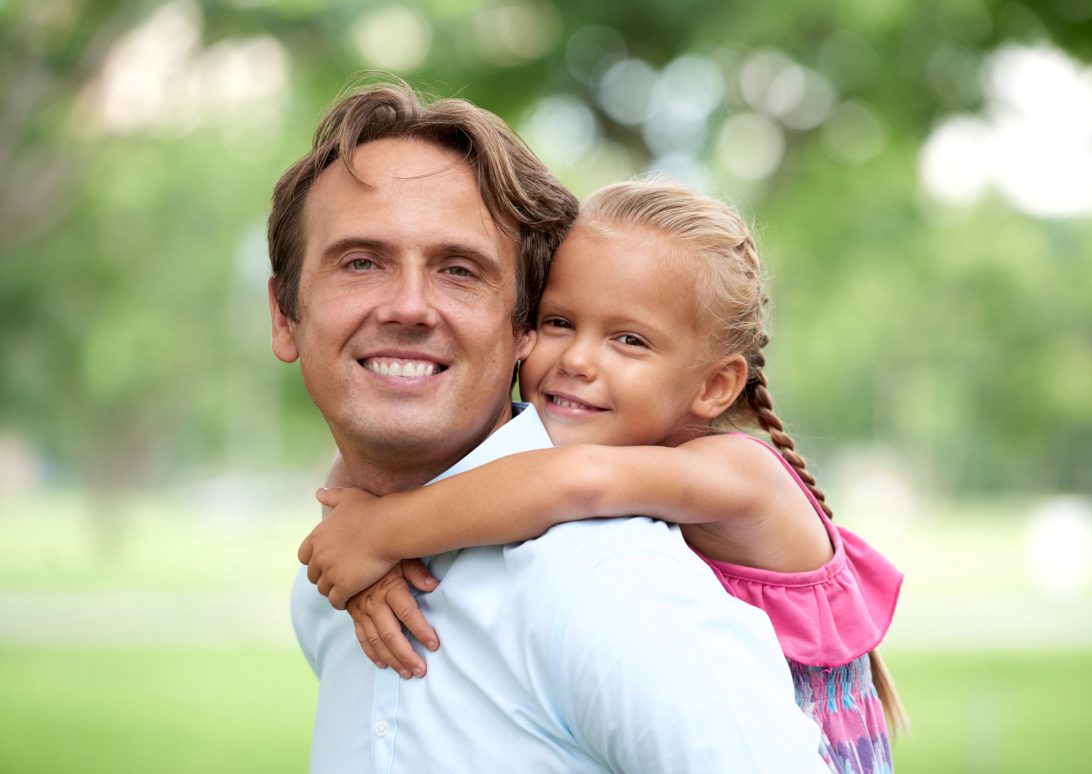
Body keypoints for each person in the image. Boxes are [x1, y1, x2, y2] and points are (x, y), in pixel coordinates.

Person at [268, 77, 829, 772]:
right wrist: (357, 534)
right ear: (284, 315)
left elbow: (580, 482)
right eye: (360, 262)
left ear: (518, 329)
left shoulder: (616, 590)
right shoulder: (336, 585)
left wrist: (377, 531)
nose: (408, 307)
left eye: (458, 270)